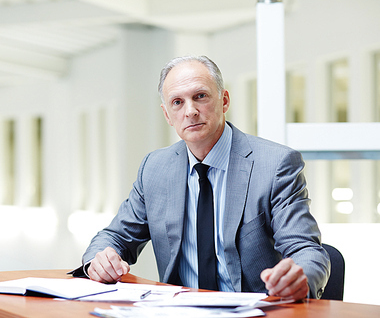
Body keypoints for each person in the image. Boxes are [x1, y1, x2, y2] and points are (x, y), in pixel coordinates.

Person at [74, 55, 330, 300]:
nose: (190, 111)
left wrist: (299, 279)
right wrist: (99, 260)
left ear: (224, 100)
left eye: (200, 96)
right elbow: (115, 237)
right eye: (177, 102)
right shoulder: (155, 168)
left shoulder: (275, 165)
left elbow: (306, 250)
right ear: (167, 115)